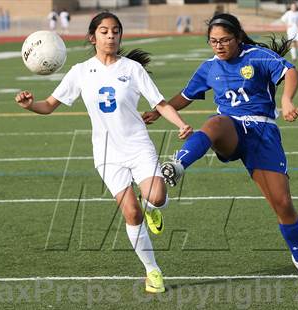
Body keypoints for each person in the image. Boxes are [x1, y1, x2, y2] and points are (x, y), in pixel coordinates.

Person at [15, 12, 192, 293]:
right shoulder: (80, 72)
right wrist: (30, 105)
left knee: (156, 197)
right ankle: (153, 271)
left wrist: (181, 123)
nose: (111, 36)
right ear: (92, 37)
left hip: (137, 145)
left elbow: (159, 103)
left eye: (115, 31)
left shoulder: (132, 69)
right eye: (104, 31)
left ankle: (153, 209)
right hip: (107, 155)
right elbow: (49, 105)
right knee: (131, 214)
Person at [143, 13, 298, 285]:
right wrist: (160, 109)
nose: (219, 46)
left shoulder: (257, 56)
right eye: (213, 41)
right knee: (215, 122)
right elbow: (186, 96)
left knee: (283, 205)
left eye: (225, 40)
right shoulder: (208, 68)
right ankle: (178, 165)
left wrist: (286, 99)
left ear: (238, 37)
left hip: (263, 133)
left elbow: (290, 71)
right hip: (232, 130)